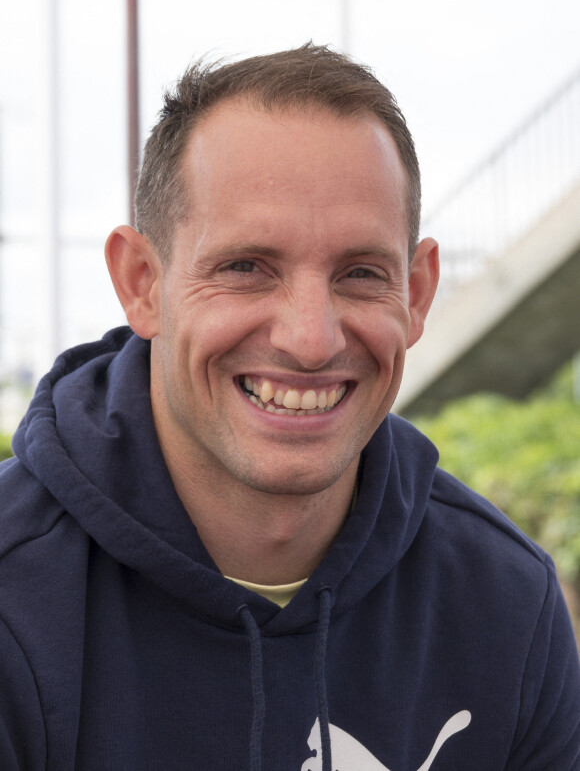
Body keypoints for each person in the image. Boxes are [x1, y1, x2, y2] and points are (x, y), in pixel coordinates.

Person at [0, 44, 579, 771]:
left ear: (419, 293)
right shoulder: (15, 600)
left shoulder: (505, 605)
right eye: (246, 268)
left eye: (361, 274)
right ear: (143, 283)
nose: (310, 340)